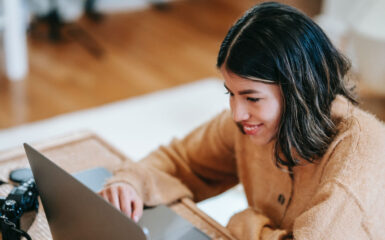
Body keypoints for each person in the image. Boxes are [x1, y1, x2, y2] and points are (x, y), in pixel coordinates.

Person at [99, 2, 385, 239]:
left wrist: (245, 225)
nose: (237, 114)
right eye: (231, 94)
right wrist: (131, 182)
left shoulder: (360, 151)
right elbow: (180, 160)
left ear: (297, 91)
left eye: (252, 98)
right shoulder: (252, 125)